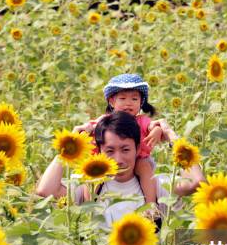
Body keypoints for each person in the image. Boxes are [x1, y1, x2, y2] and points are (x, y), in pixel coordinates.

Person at [36, 111, 205, 228]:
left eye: (125, 150)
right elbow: (45, 191)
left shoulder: (154, 185)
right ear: (100, 150)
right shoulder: (88, 185)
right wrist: (70, 144)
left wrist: (171, 136)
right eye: (110, 151)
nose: (118, 160)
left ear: (138, 149)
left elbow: (197, 182)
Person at [73, 74, 178, 213]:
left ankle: (151, 208)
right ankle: (89, 209)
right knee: (94, 177)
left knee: (145, 168)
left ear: (141, 103)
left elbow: (154, 126)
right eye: (122, 98)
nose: (128, 103)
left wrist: (157, 131)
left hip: (138, 159)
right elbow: (91, 126)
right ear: (111, 101)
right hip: (106, 159)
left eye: (134, 99)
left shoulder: (142, 120)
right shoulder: (107, 120)